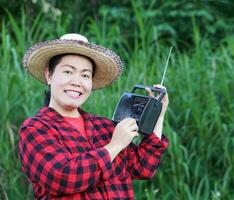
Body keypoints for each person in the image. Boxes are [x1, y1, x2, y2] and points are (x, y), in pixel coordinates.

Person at [19, 33, 169, 199]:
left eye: (85, 75)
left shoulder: (105, 128)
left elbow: (144, 167)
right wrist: (113, 146)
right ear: (49, 75)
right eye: (68, 72)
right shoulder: (35, 129)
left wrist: (158, 114)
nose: (77, 82)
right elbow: (63, 177)